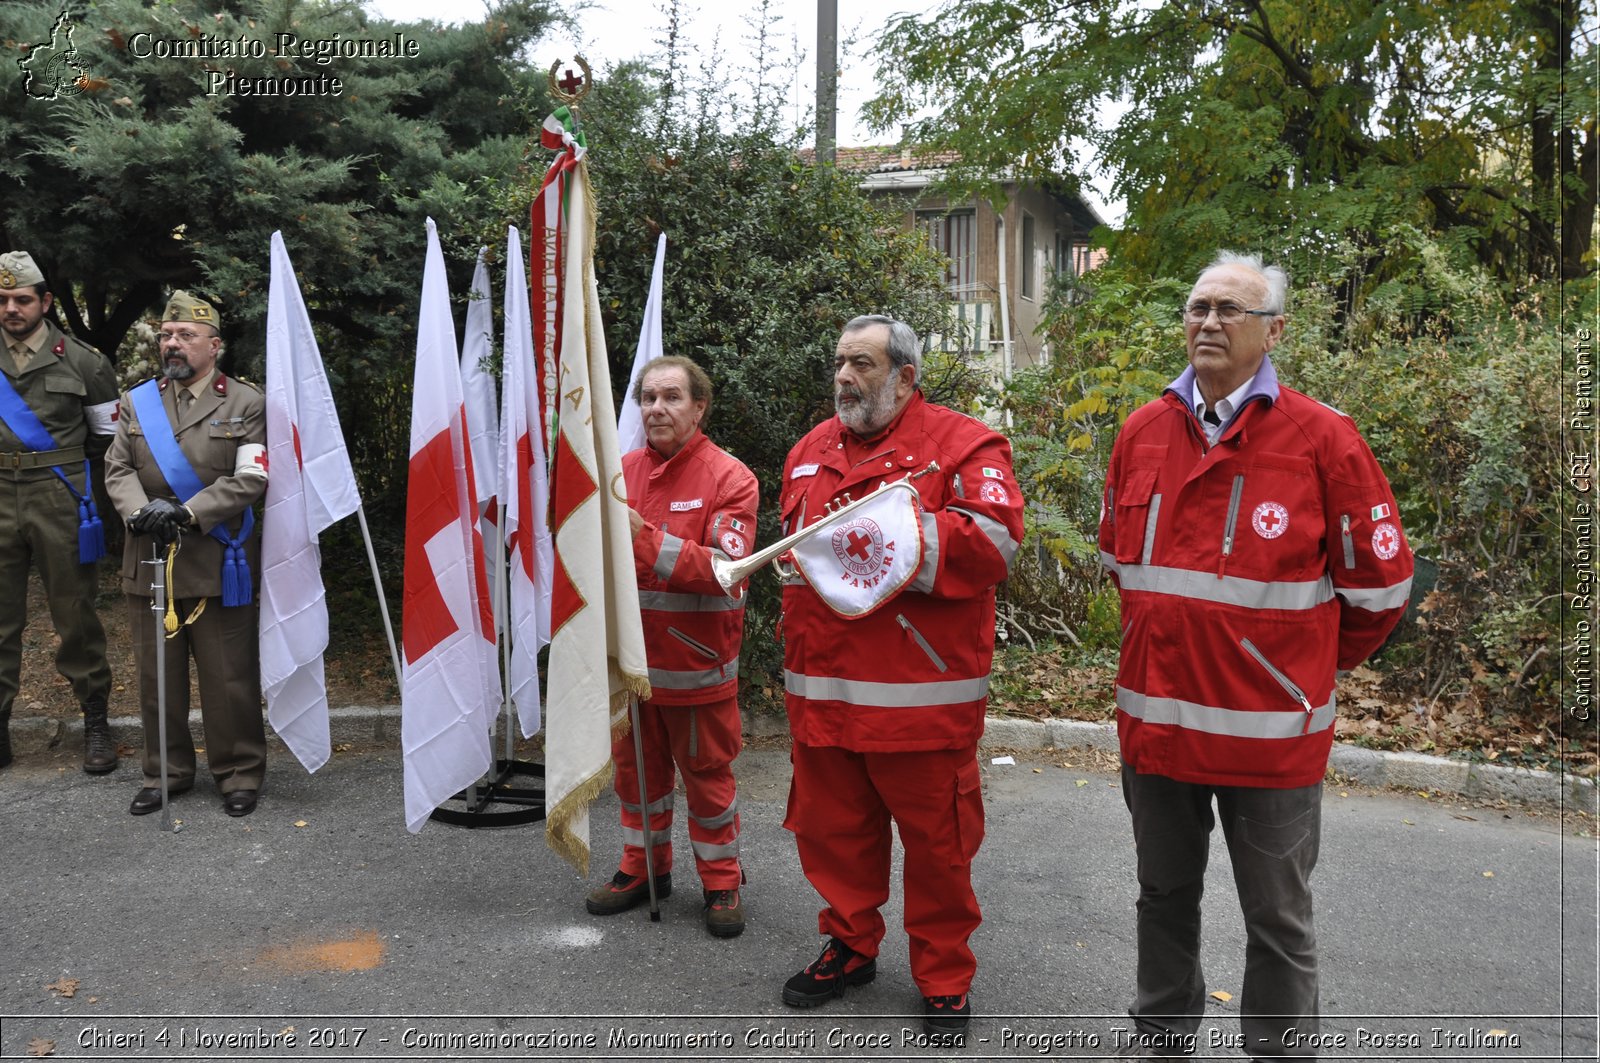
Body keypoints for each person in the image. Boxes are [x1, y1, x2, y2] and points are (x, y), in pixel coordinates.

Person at [1098, 252, 1414, 1060]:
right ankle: (1160, 1037)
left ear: (1274, 329)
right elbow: (1121, 566)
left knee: (1277, 917)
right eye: (1198, 305)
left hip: (1272, 739)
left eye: (1230, 309)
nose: (1208, 321)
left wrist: (1298, 668)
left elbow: (1380, 590)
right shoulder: (1141, 431)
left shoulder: (1323, 437)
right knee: (1162, 896)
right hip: (1158, 732)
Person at [777, 314, 1023, 1038]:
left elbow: (994, 543)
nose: (844, 377)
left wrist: (881, 537)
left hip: (918, 701)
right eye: (839, 363)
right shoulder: (807, 451)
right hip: (824, 698)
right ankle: (850, 946)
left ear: (906, 376)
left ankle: (944, 977)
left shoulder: (963, 443)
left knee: (938, 850)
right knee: (833, 836)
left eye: (862, 363)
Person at [584, 355, 759, 938]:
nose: (656, 408)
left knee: (708, 782)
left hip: (696, 670)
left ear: (699, 407)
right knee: (636, 780)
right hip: (631, 670)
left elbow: (726, 572)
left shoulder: (731, 478)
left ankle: (721, 880)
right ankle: (642, 868)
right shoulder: (620, 471)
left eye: (672, 397)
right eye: (648, 398)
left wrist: (642, 538)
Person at [105, 291, 269, 818]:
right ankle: (165, 773)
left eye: (185, 336)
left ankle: (239, 772)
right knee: (157, 677)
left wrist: (188, 512)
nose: (171, 344)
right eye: (166, 336)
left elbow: (251, 476)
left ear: (214, 345)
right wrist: (141, 512)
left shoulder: (246, 403)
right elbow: (118, 468)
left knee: (228, 678)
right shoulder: (136, 401)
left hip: (219, 557)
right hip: (150, 555)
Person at [0, 250, 119, 773]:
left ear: (45, 302)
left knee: (75, 615)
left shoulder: (85, 362)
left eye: (21, 299)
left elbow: (108, 443)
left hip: (61, 496)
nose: (11, 309)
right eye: (2, 300)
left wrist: (74, 482)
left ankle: (95, 720)